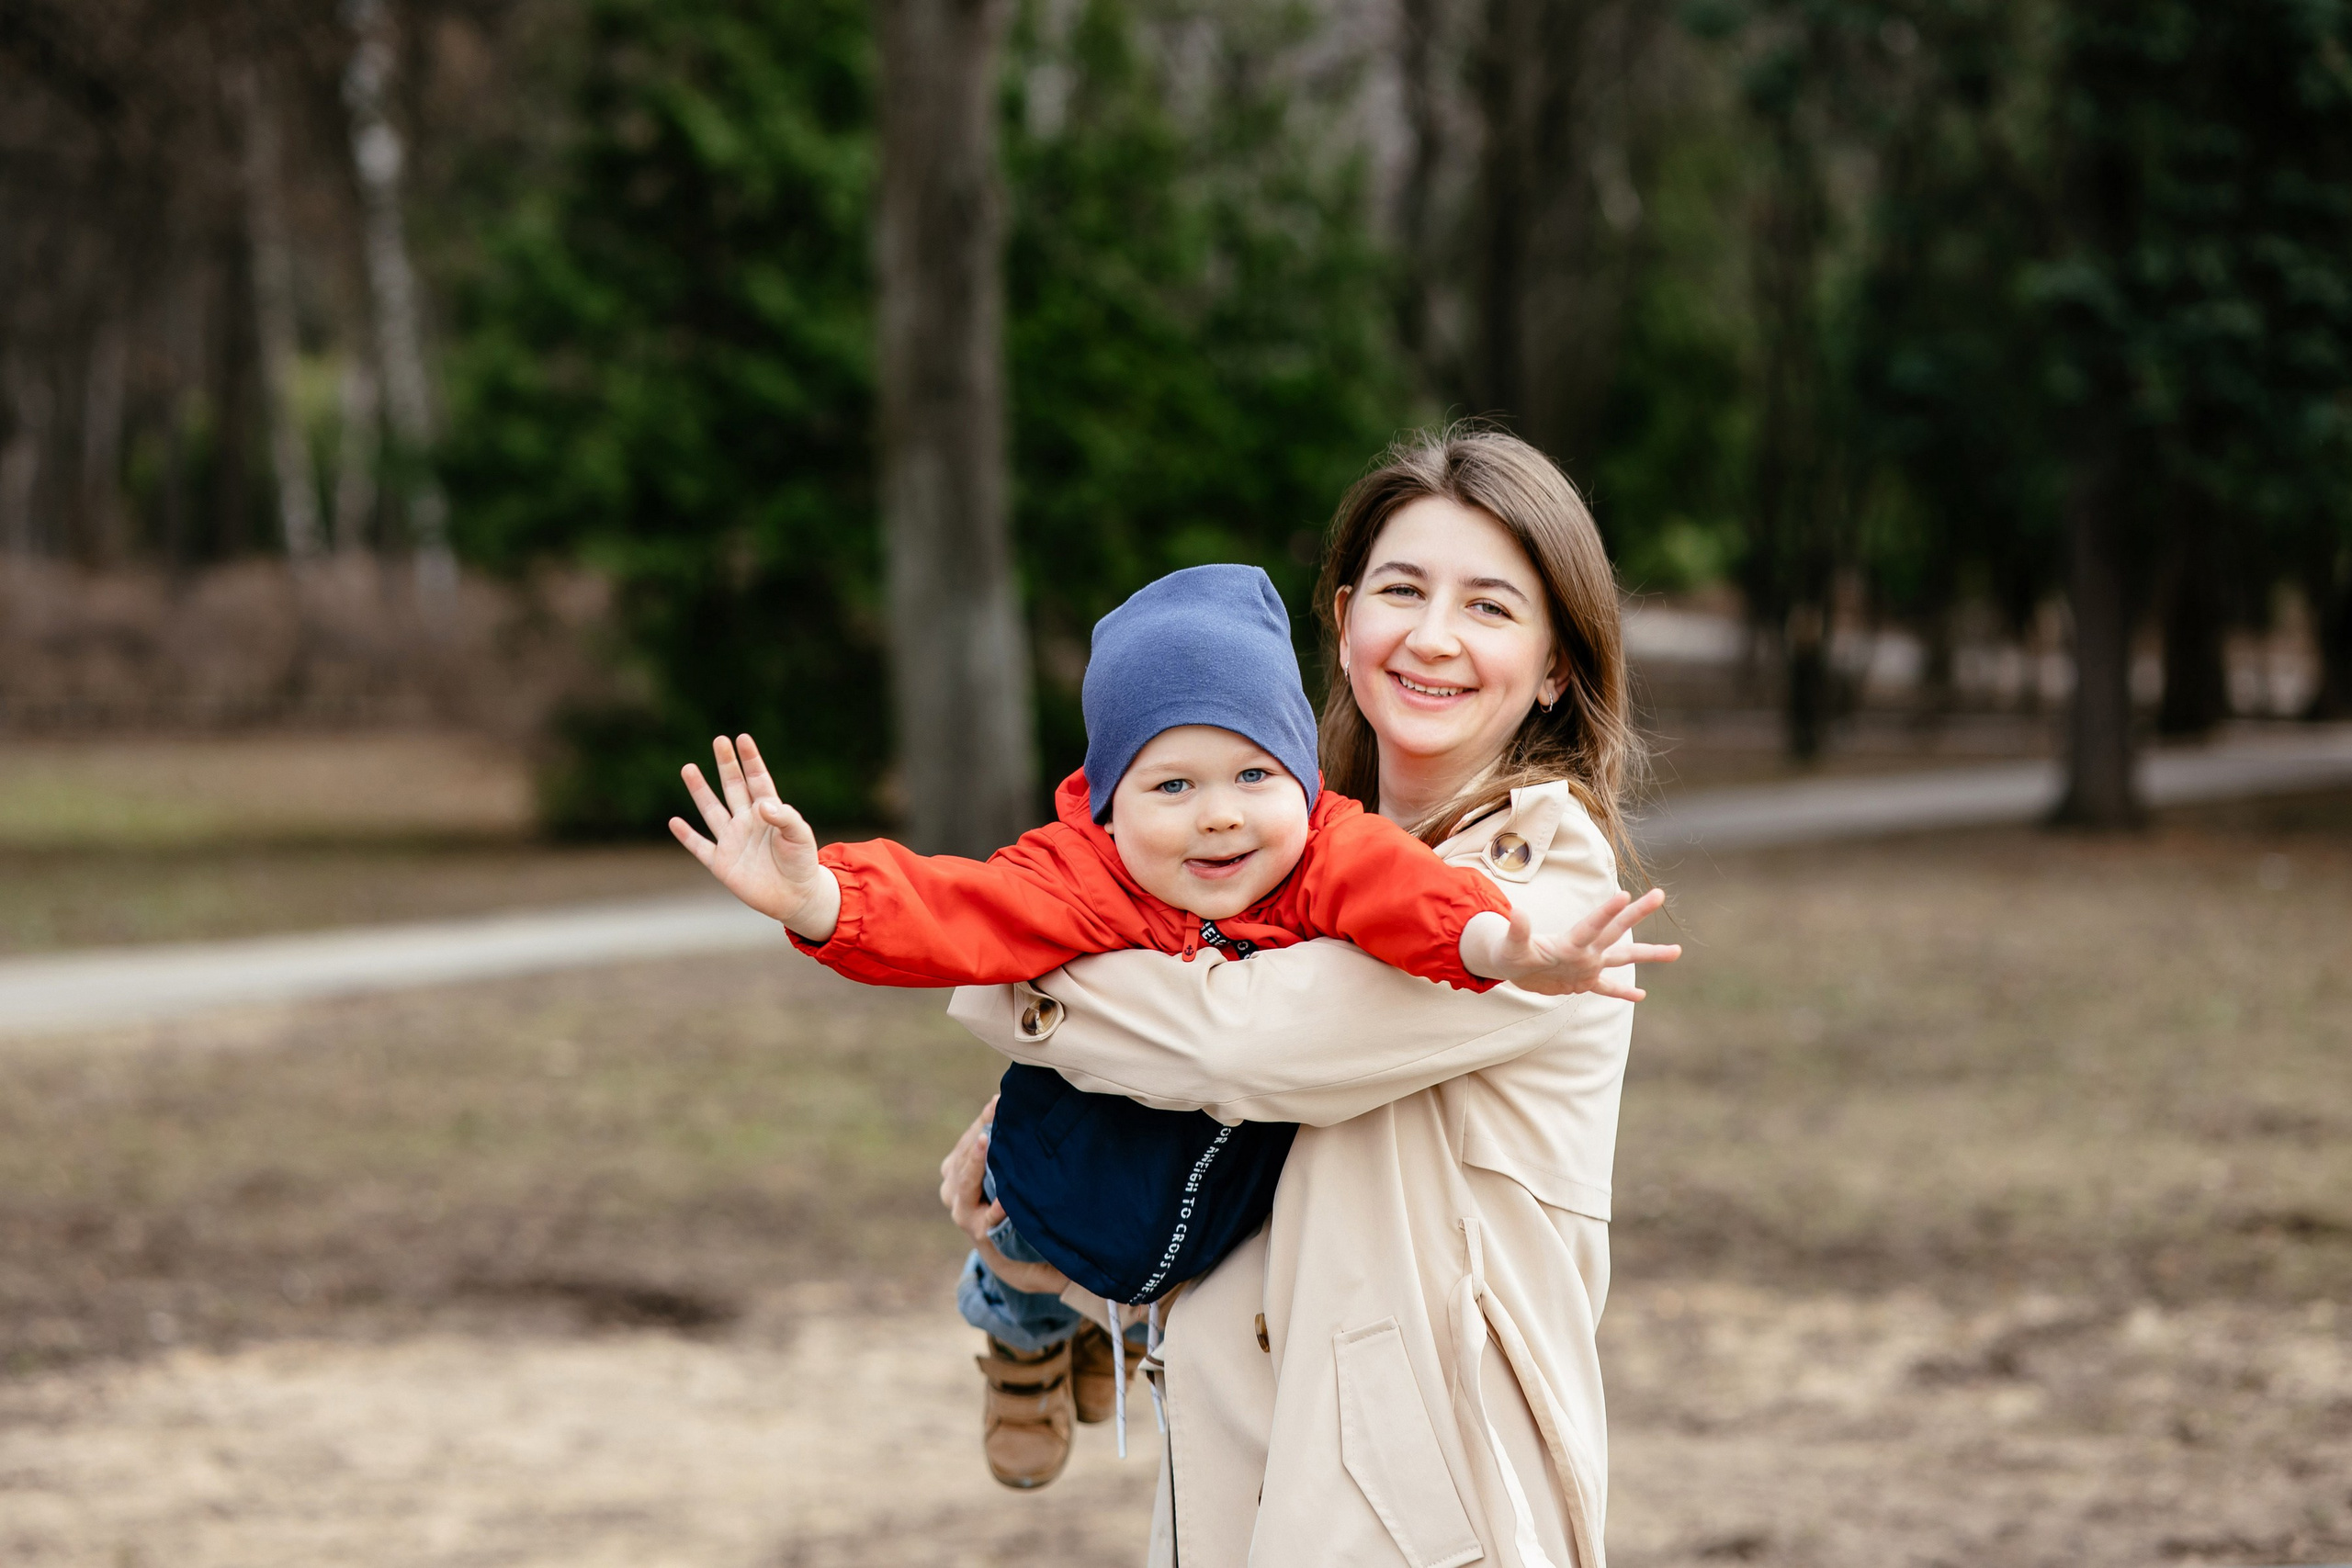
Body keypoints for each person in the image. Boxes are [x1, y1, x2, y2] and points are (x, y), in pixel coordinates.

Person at [667, 561, 1675, 1492]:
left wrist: (1500, 947)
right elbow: (955, 907)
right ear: (1109, 807)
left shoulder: (1328, 852)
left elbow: (1411, 898)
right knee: (1018, 1234)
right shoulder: (1081, 874)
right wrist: (819, 900)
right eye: (1172, 786)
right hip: (1074, 1167)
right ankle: (1023, 1343)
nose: (1220, 817)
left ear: (1299, 780)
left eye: (1252, 777)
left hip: (1206, 1197)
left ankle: (1109, 1327)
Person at [942, 425, 1655, 1566]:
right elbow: (1264, 1229)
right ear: (1343, 620)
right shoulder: (1273, 870)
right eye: (1401, 591)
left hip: (1428, 1515)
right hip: (1250, 1486)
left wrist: (1022, 996)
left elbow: (1241, 1047)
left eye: (1489, 607)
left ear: (1557, 664)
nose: (1432, 637)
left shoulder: (1533, 900)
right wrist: (1043, 1195)